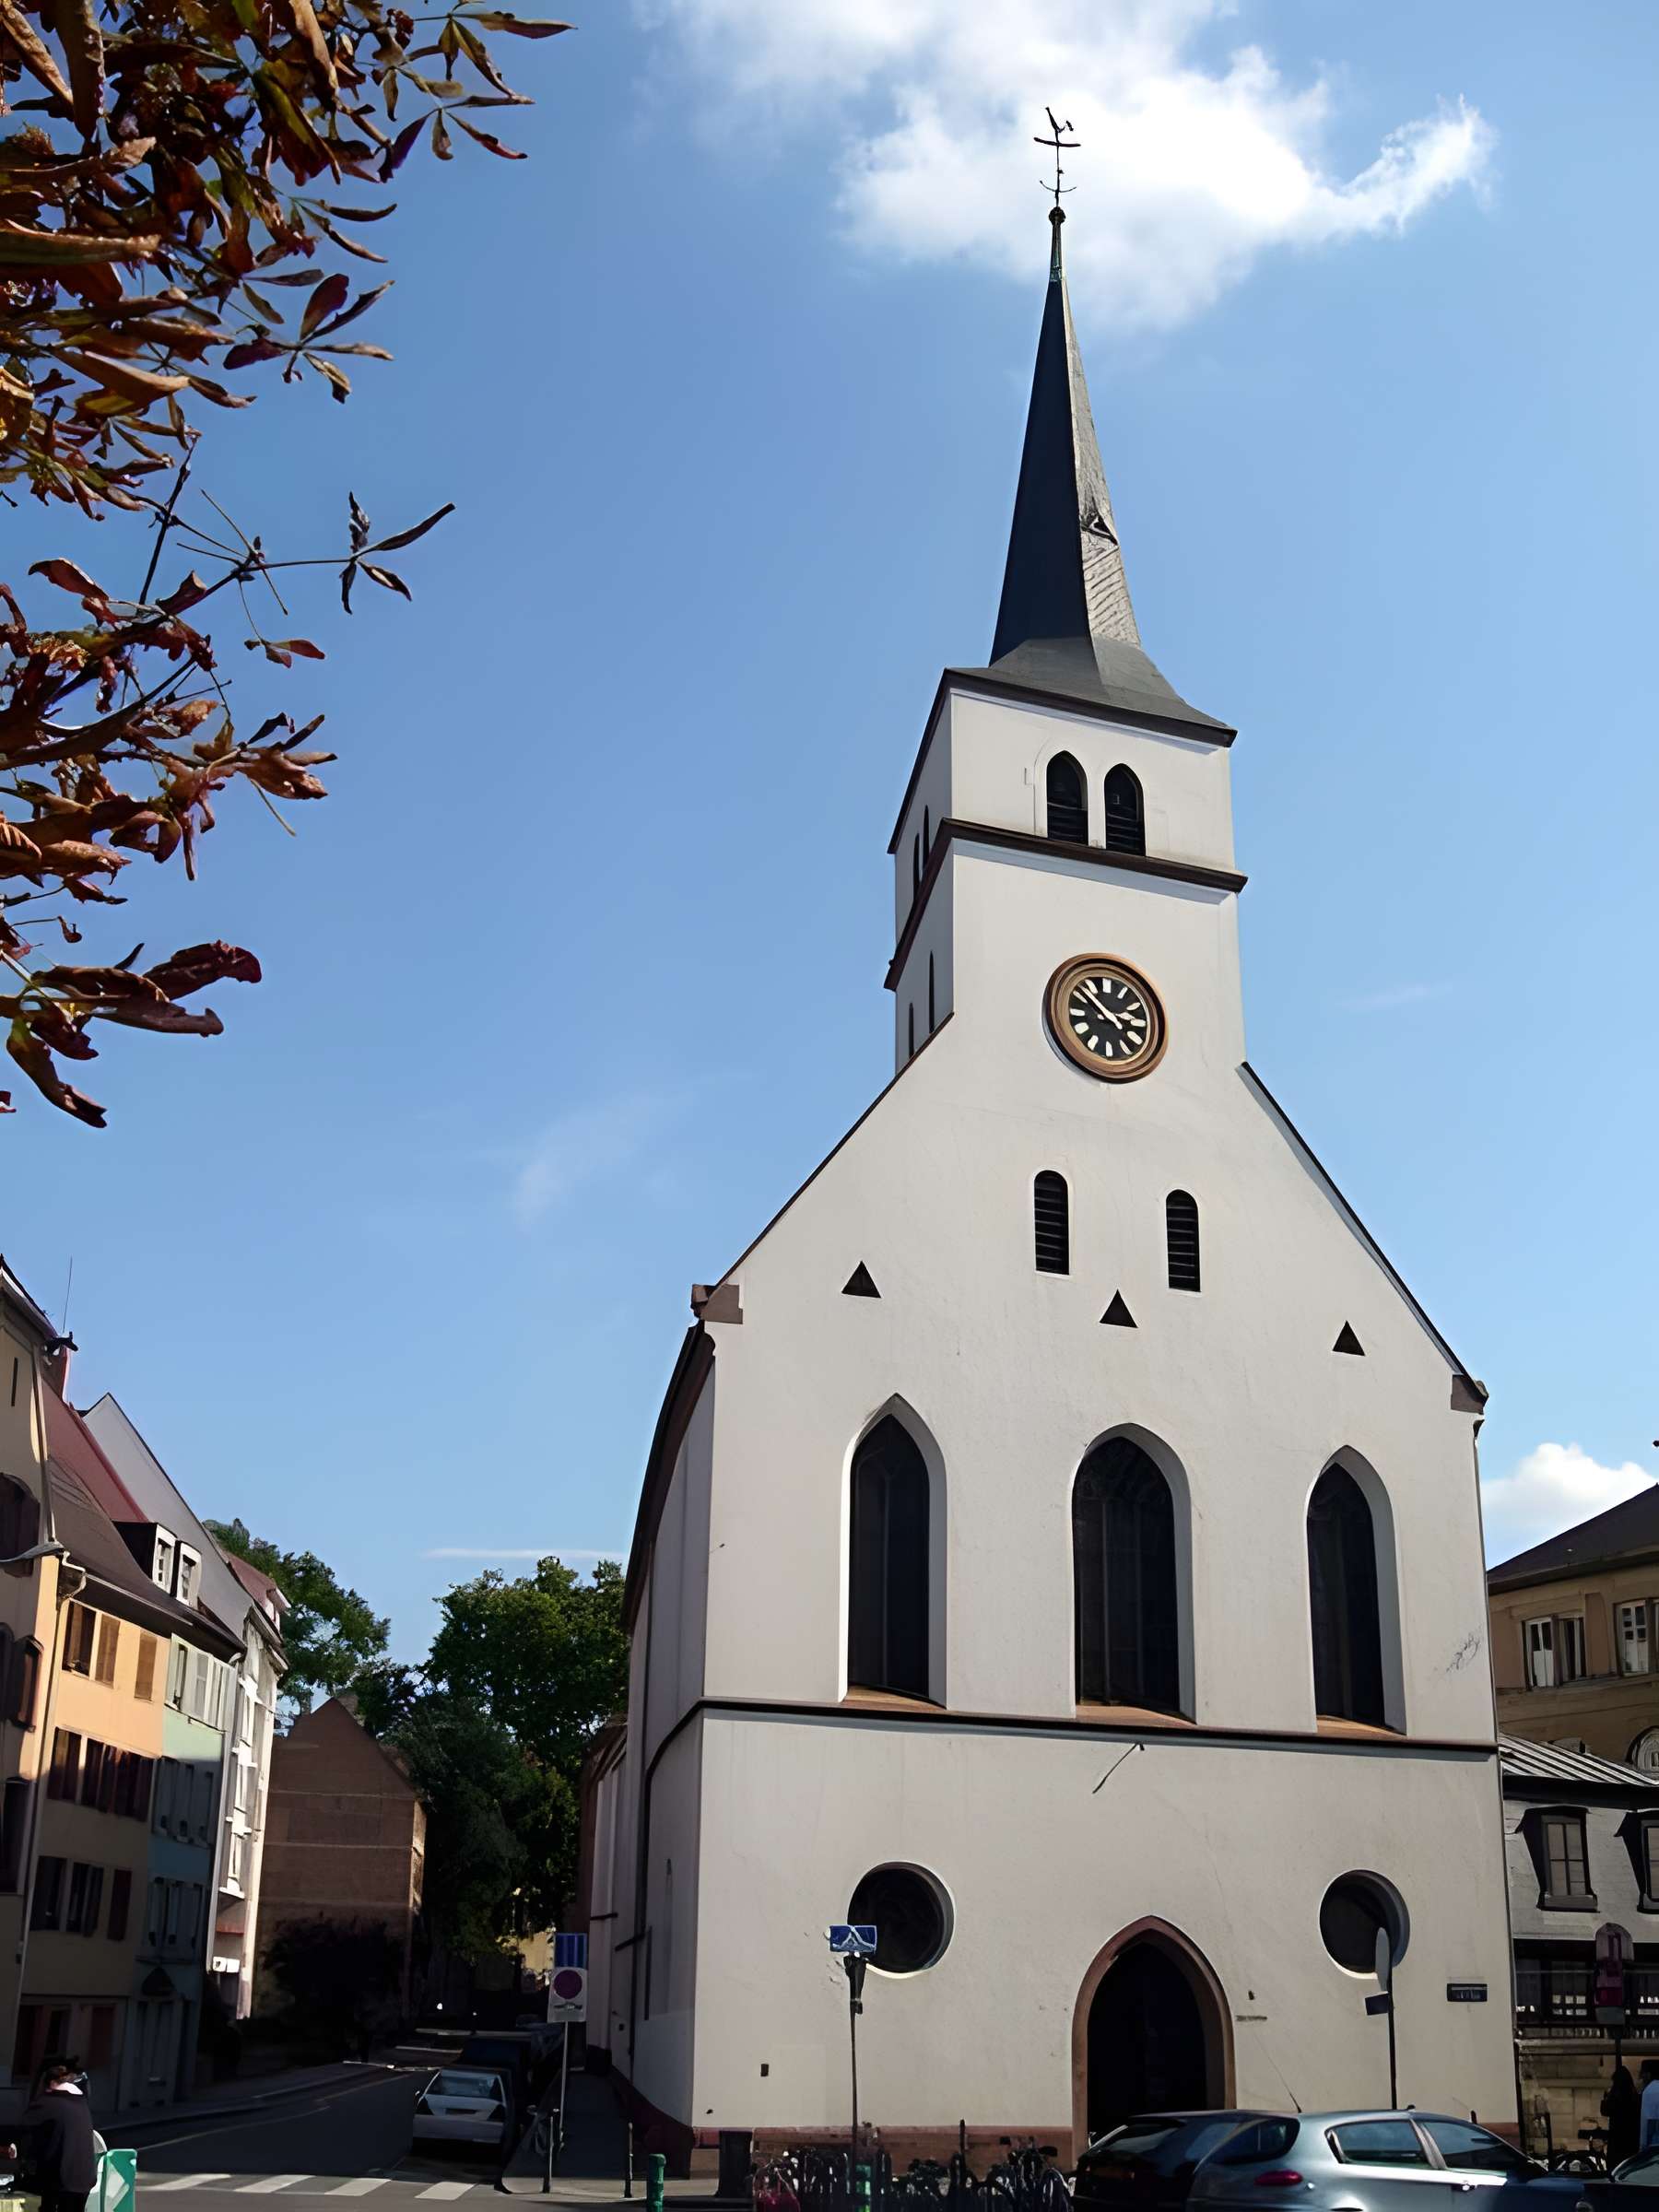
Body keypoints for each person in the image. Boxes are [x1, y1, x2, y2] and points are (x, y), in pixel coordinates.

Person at [6, 2056, 99, 2212]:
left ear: (51, 2082)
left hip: (59, 2180)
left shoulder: (47, 2103)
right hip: (83, 2179)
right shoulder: (81, 2102)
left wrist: (17, 2148)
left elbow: (23, 2131)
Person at [1605, 2060, 1640, 2167]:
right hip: (1631, 2139)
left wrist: (1607, 2096)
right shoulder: (1635, 2096)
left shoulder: (1615, 2096)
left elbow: (1605, 2110)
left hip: (1617, 2139)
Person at [1639, 2059, 1659, 2151]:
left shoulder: (1651, 2090)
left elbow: (1651, 2120)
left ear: (1648, 2074)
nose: (1641, 2078)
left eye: (1643, 2074)